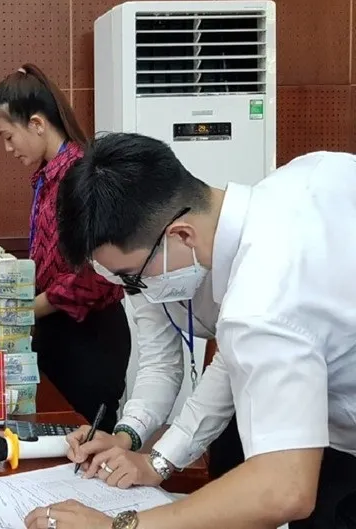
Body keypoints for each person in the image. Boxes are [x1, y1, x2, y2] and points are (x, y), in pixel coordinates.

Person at [24, 132, 356, 529]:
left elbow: (283, 489)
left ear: (181, 235)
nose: (134, 290)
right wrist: (158, 458)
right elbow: (236, 359)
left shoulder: (260, 302)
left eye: (131, 277)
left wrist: (117, 526)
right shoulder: (315, 170)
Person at [0, 65, 131, 431]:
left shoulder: (84, 176)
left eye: (8, 136)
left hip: (89, 337)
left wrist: (30, 309)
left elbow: (100, 275)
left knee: (85, 442)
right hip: (55, 327)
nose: (7, 149)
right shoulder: (47, 177)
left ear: (36, 123)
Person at [64, 274, 244, 487]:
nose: (137, 284)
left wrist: (159, 462)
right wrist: (123, 438)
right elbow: (160, 364)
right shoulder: (135, 272)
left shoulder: (248, 266)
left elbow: (230, 362)